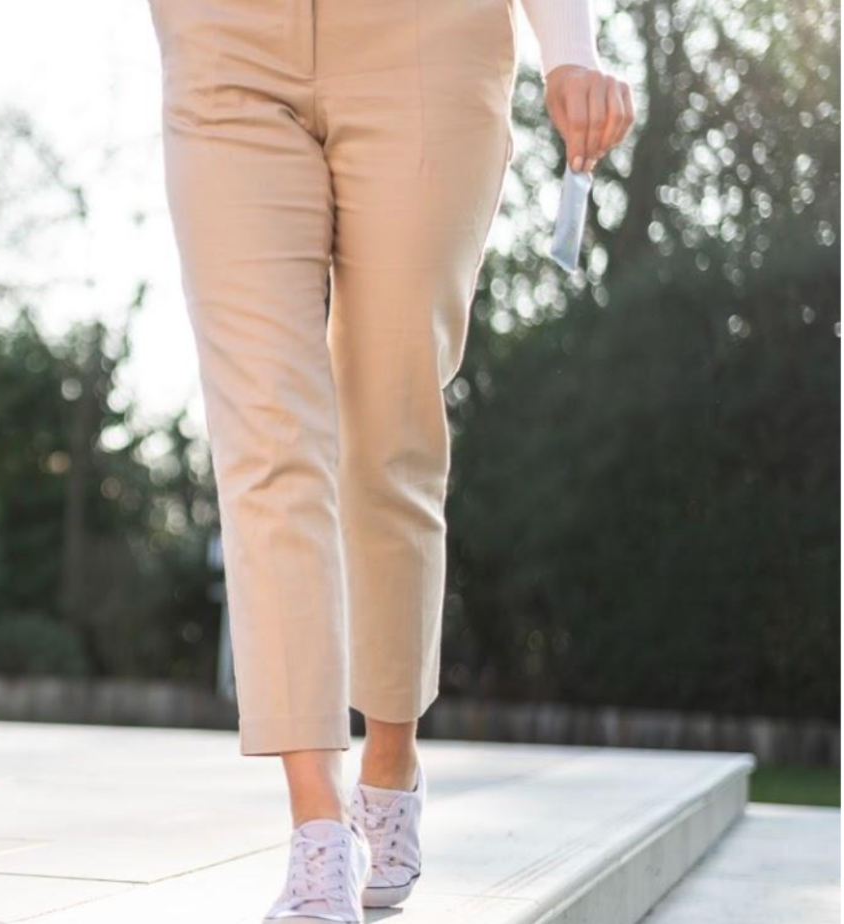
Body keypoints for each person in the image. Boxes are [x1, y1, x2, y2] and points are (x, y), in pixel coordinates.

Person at [143, 0, 633, 920]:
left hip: (426, 40)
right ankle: (317, 828)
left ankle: (391, 764)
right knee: (269, 441)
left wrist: (574, 49)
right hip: (226, 46)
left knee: (389, 432)